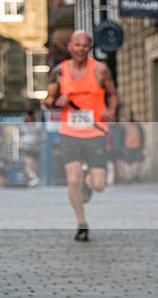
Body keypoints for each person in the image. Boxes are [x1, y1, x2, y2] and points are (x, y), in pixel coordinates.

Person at [44, 30, 118, 242]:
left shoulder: (100, 70)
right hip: (70, 133)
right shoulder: (59, 71)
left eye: (85, 45)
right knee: (72, 180)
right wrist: (56, 102)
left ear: (90, 48)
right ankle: (81, 223)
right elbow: (48, 99)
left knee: (99, 185)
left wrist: (110, 111)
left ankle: (88, 182)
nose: (80, 49)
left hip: (95, 132)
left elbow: (113, 94)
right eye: (77, 45)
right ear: (69, 47)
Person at [18, 111, 43, 186]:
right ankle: (33, 178)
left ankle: (33, 178)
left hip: (36, 148)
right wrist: (20, 143)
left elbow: (44, 136)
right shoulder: (22, 126)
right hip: (26, 148)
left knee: (33, 165)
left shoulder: (38, 126)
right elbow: (20, 137)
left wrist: (37, 139)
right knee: (27, 162)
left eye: (27, 116)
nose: (26, 117)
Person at [122, 110, 145, 183]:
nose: (131, 117)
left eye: (132, 115)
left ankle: (136, 176)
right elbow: (121, 137)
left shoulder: (138, 125)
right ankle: (129, 177)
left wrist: (143, 145)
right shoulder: (124, 126)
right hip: (127, 146)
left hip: (137, 146)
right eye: (129, 115)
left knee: (138, 162)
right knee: (128, 163)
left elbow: (142, 136)